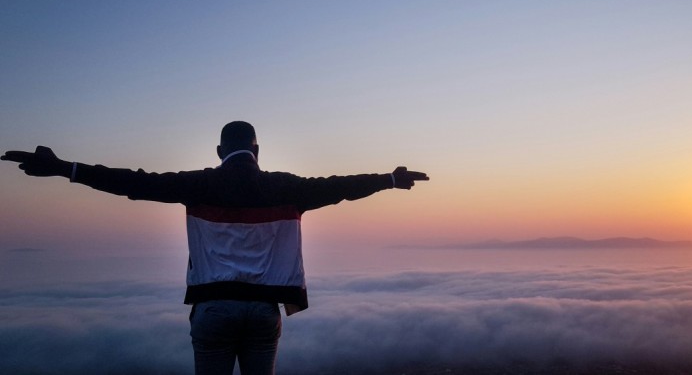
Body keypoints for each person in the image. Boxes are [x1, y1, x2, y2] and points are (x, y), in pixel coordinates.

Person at [1, 121, 428, 375]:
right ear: (257, 151)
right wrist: (389, 179)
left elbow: (132, 182)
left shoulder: (198, 183)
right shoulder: (288, 187)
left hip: (212, 311)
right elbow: (341, 188)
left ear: (220, 151)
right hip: (264, 312)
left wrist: (64, 169)